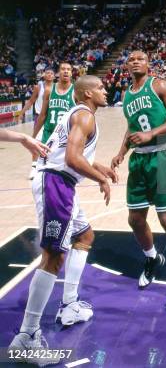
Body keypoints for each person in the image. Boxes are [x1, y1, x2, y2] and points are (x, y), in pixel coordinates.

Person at [9, 75, 117, 359]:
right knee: (53, 256)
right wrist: (100, 179)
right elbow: (71, 158)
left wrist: (99, 166)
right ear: (87, 94)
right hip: (55, 183)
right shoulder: (85, 116)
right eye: (101, 88)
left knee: (84, 236)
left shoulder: (78, 114)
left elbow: (70, 153)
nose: (106, 91)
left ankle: (69, 304)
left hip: (60, 182)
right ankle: (27, 336)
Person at [111, 51, 166, 310]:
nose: (135, 61)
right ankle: (153, 258)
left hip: (164, 156)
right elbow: (131, 126)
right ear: (127, 66)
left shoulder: (159, 85)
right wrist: (121, 152)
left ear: (148, 65)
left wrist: (152, 133)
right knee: (135, 219)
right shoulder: (127, 94)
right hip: (139, 160)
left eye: (140, 58)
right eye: (131, 59)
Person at [32, 62, 76, 178]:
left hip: (65, 136)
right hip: (48, 134)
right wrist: (33, 136)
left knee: (62, 171)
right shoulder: (49, 90)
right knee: (43, 171)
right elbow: (42, 115)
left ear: (71, 73)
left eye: (68, 69)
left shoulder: (75, 92)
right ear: (58, 73)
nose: (66, 71)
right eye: (63, 69)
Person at [18, 67, 55, 180]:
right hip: (39, 117)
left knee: (53, 143)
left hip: (52, 118)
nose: (49, 74)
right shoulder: (39, 86)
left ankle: (50, 167)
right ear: (43, 75)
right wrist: (22, 113)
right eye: (47, 73)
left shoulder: (57, 87)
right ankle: (34, 168)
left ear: (54, 76)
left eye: (51, 73)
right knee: (36, 143)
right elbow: (31, 101)